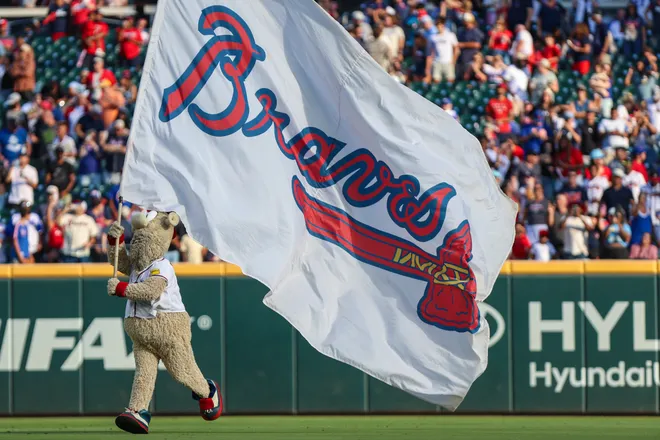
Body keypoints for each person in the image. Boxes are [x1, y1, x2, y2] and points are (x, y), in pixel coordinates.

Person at [425, 18, 458, 84]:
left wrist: (453, 61)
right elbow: (430, 53)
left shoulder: (450, 35)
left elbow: (456, 49)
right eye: (437, 25)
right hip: (437, 62)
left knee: (450, 81)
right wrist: (428, 67)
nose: (439, 27)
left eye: (440, 25)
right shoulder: (433, 37)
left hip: (448, 62)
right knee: (436, 81)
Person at [456, 13, 483, 80]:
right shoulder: (462, 31)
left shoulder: (475, 31)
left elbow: (477, 44)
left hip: (471, 59)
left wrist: (463, 44)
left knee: (469, 78)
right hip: (462, 59)